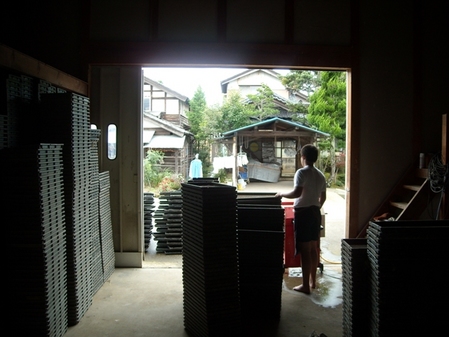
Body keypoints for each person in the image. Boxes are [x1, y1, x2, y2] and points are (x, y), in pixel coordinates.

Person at [275, 144, 326, 294]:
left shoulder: (301, 173)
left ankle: (305, 286)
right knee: (312, 248)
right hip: (315, 212)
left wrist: (282, 194)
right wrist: (315, 205)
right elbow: (323, 197)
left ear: (303, 158)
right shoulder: (320, 175)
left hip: (304, 213)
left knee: (305, 249)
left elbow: (297, 193)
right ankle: (313, 282)